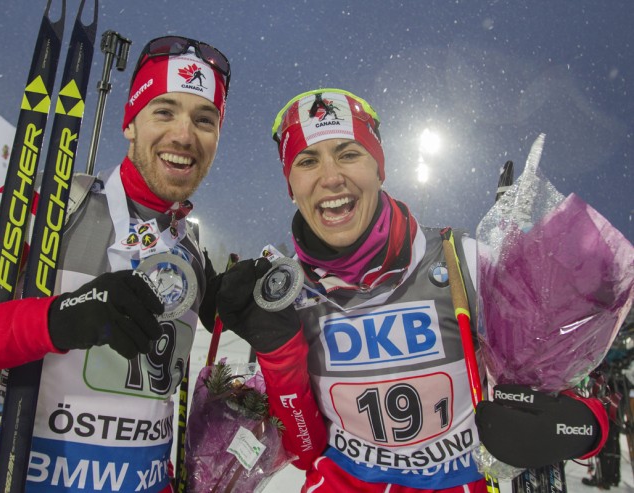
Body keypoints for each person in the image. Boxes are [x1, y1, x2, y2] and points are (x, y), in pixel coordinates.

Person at [216, 88, 609, 492]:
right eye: (308, 161)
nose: (331, 177)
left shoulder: (464, 262)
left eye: (349, 153)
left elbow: (575, 400)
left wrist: (580, 427)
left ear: (379, 168)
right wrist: (278, 356)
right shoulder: (289, 297)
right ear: (291, 184)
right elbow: (306, 450)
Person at [0, 35, 230, 493]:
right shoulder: (37, 209)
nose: (184, 136)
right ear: (130, 122)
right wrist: (50, 321)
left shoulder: (190, 250)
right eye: (164, 111)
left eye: (204, 120)